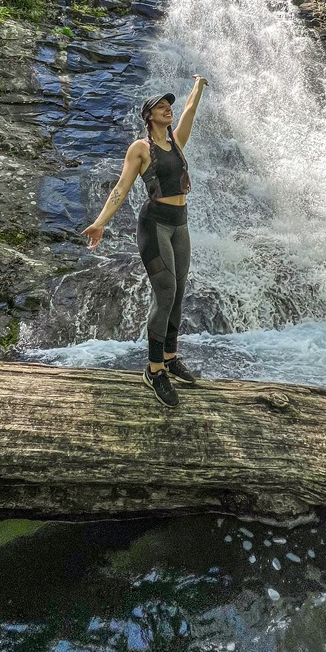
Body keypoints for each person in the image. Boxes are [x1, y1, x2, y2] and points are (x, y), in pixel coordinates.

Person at [81, 75, 209, 407]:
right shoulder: (141, 148)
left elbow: (190, 111)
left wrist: (198, 85)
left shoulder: (177, 142)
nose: (168, 110)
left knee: (179, 291)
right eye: (161, 107)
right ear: (149, 116)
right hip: (155, 225)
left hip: (180, 223)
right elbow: (120, 189)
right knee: (165, 292)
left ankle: (170, 357)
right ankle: (154, 371)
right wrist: (98, 224)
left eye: (169, 106)